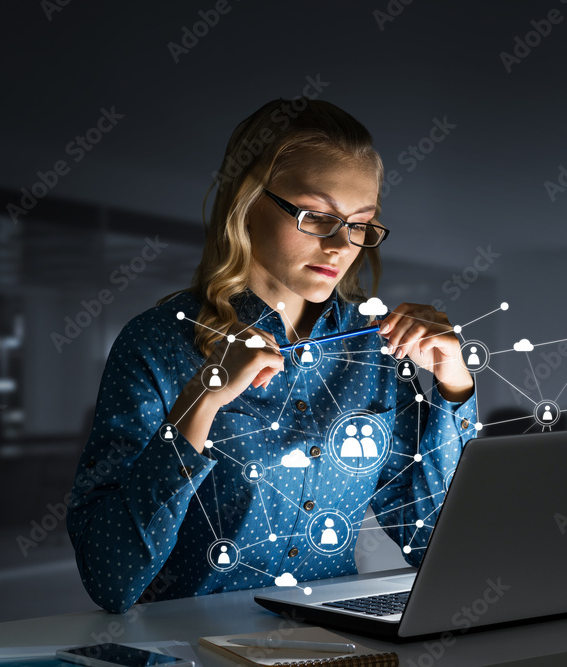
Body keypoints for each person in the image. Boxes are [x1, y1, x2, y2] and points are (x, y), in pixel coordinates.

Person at [66, 98, 478, 613]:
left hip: (336, 646)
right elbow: (111, 582)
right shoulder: (156, 345)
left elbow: (441, 547)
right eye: (316, 217)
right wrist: (201, 401)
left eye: (359, 224)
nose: (340, 247)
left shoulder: (375, 352)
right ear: (247, 201)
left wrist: (453, 385)